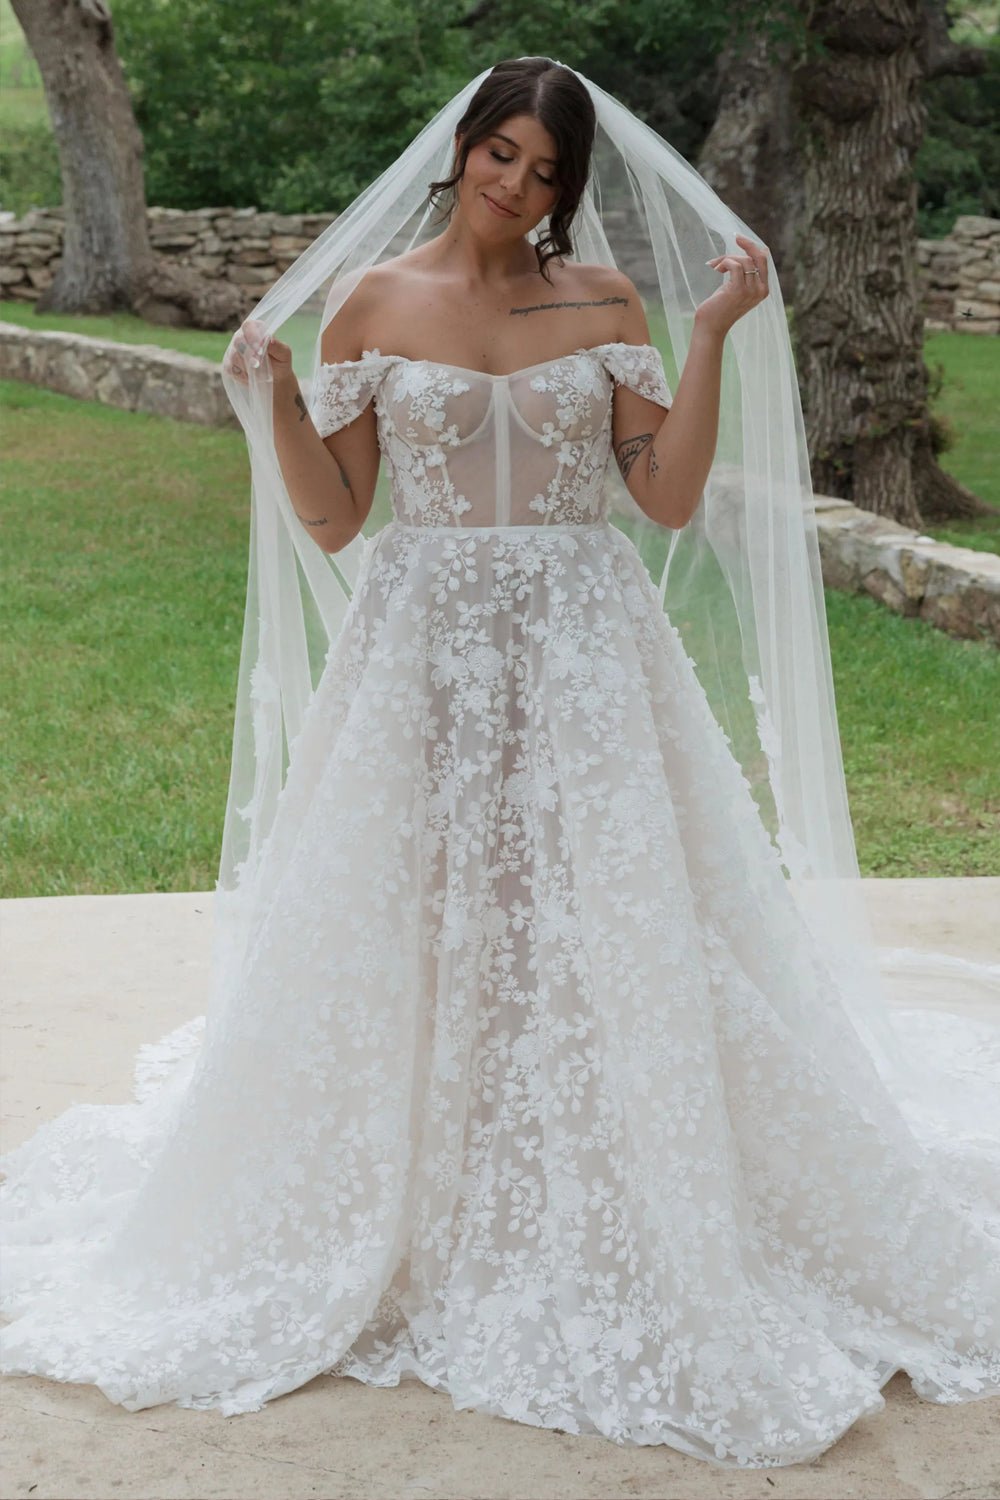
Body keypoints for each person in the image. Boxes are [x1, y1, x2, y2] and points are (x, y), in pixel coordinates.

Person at [1, 57, 998, 1472]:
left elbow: (663, 495)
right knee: (419, 905)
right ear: (463, 147)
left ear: (570, 188)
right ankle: (428, 1170)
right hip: (425, 645)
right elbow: (338, 518)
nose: (519, 188)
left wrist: (711, 334)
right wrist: (273, 397)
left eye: (547, 173)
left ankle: (597, 1161)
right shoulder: (373, 302)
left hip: (588, 648)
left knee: (597, 908)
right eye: (502, 157)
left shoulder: (604, 302)